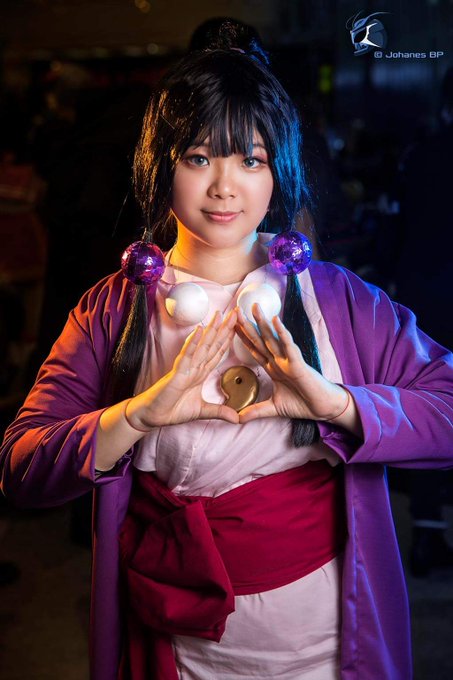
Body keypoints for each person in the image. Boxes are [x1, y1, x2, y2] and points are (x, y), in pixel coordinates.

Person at [0, 37, 452, 680]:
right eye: (199, 156)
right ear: (163, 166)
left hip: (323, 641)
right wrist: (136, 416)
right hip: (173, 641)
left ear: (277, 171)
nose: (223, 186)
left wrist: (336, 405)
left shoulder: (340, 300)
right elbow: (20, 466)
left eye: (250, 159)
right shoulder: (112, 309)